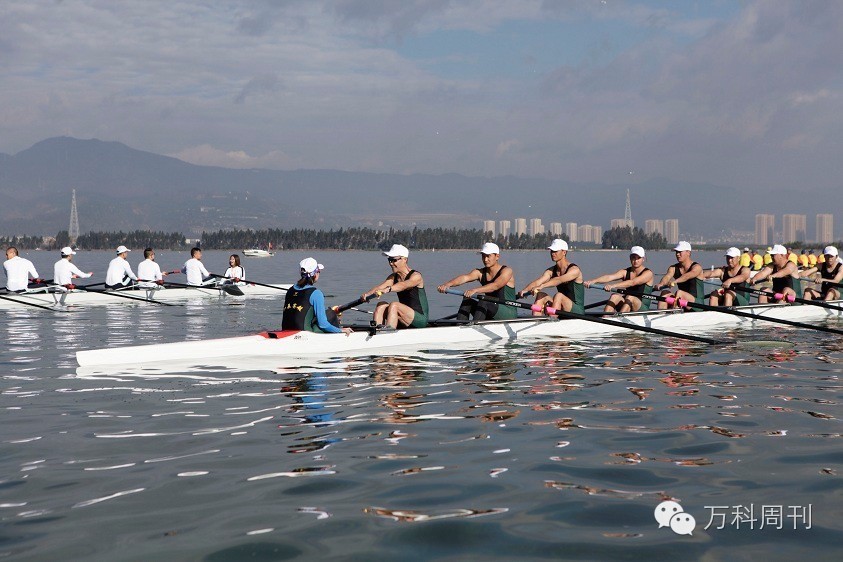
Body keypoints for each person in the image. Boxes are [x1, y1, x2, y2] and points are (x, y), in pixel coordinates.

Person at [437, 242, 517, 321]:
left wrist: (475, 290)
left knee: (484, 300)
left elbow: (495, 285)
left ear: (497, 256)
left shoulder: (507, 271)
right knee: (467, 299)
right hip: (490, 309)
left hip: (508, 311)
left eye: (488, 256)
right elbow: (464, 278)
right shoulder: (480, 273)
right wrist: (447, 285)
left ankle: (474, 327)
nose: (485, 259)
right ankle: (460, 325)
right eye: (483, 256)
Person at [362, 244, 428, 329]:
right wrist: (367, 295)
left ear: (404, 259)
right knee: (381, 304)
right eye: (389, 260)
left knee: (394, 305)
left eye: (394, 260)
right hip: (403, 317)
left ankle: (389, 333)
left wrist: (388, 289)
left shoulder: (416, 276)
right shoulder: (393, 277)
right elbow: (379, 287)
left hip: (420, 319)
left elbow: (403, 285)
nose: (391, 263)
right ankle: (376, 330)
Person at [281, 258, 352, 335]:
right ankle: (338, 337)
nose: (319, 273)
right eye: (319, 271)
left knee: (327, 312)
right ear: (314, 274)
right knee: (331, 314)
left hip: (285, 330)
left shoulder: (290, 290)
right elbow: (323, 325)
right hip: (304, 335)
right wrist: (340, 330)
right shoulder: (316, 293)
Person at [518, 238, 584, 314]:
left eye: (555, 251)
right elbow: (538, 282)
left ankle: (552, 319)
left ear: (564, 252)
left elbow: (559, 280)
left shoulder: (574, 270)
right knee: (540, 295)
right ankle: (536, 320)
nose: (552, 253)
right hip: (561, 307)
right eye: (552, 251)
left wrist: (542, 286)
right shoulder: (551, 271)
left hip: (577, 310)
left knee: (559, 295)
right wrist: (525, 290)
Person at [583, 246, 653, 313]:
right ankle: (605, 319)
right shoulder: (625, 272)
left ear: (643, 259)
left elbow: (633, 282)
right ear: (630, 258)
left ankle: (619, 320)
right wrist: (593, 281)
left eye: (639, 258)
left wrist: (613, 286)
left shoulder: (648, 273)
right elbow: (610, 277)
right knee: (614, 296)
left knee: (630, 297)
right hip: (627, 303)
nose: (635, 260)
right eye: (633, 257)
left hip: (642, 308)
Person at [654, 241, 705, 309]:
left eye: (680, 252)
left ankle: (674, 313)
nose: (677, 254)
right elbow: (667, 276)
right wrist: (661, 284)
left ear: (688, 253)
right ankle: (661, 314)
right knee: (665, 293)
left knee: (679, 293)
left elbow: (687, 276)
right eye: (676, 252)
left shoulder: (697, 267)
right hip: (682, 301)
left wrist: (675, 281)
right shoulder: (673, 268)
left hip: (697, 304)